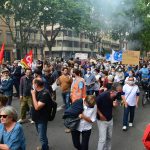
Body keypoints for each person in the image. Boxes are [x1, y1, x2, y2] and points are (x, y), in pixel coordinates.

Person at [96, 84, 119, 150]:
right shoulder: (101, 96)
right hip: (102, 121)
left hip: (110, 119)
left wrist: (114, 105)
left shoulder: (114, 96)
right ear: (112, 91)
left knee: (109, 137)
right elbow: (94, 105)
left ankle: (108, 148)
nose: (118, 94)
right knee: (102, 139)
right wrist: (100, 115)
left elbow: (113, 104)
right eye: (117, 92)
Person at [31, 78, 51, 150]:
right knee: (40, 134)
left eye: (33, 83)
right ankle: (45, 146)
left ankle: (45, 148)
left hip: (42, 118)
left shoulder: (44, 93)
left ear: (36, 85)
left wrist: (33, 95)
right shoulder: (37, 91)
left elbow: (37, 107)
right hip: (36, 117)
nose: (32, 85)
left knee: (42, 136)